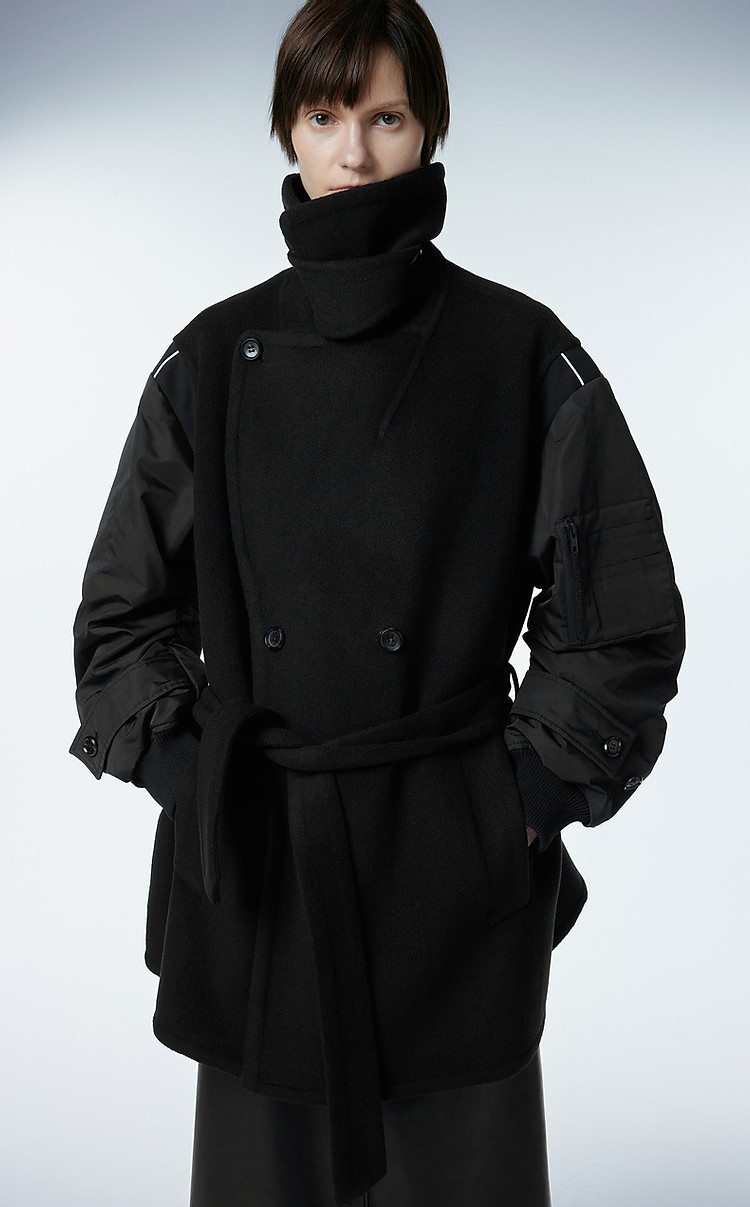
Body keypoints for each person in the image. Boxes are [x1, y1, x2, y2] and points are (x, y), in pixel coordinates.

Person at [68, 1, 686, 1204]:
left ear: (430, 129)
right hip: (262, 873)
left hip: (449, 880)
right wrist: (201, 787)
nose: (353, 154)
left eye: (387, 118)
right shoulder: (212, 356)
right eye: (324, 115)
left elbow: (620, 613)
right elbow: (120, 615)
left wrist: (512, 806)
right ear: (287, 131)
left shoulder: (519, 350)